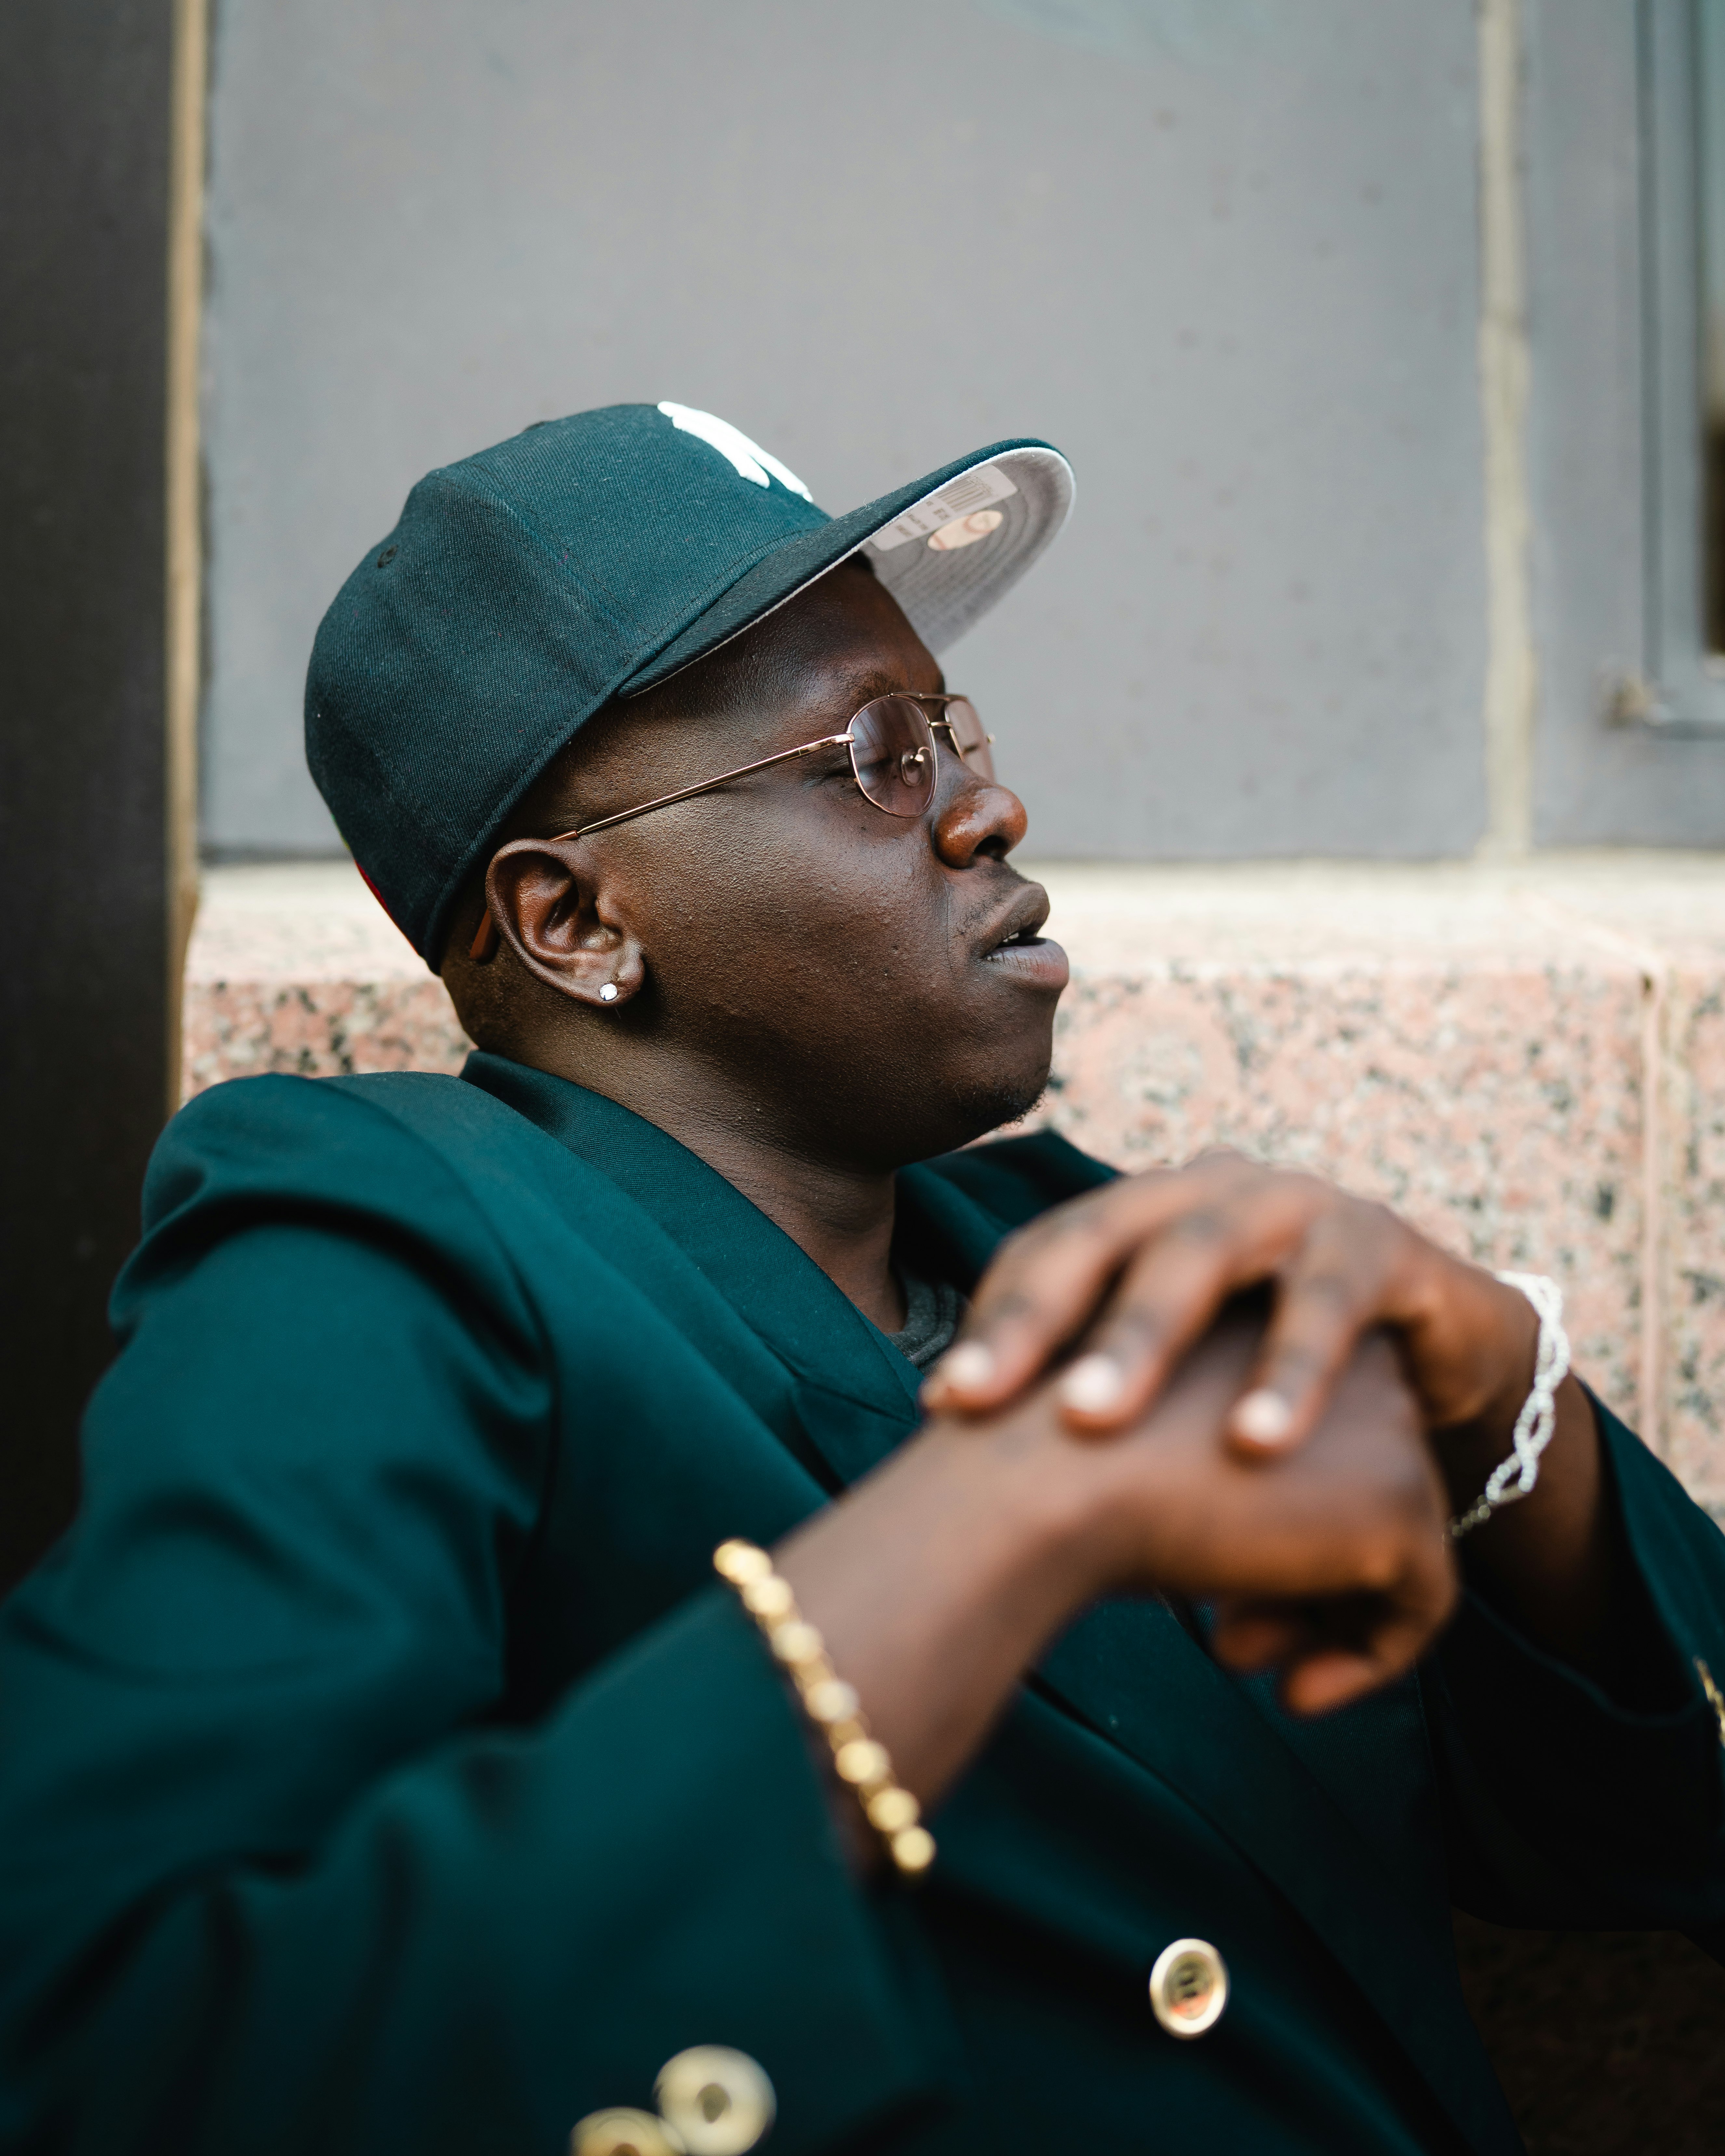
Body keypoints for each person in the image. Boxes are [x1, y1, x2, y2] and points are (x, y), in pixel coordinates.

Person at [2, 402, 1723, 2156]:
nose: (991, 805)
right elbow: (112, 2039)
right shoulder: (389, 1232)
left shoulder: (1072, 1246)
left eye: (953, 730)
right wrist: (1009, 1512)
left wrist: (1494, 1375)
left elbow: (1651, 1829)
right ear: (575, 920)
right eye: (877, 755)